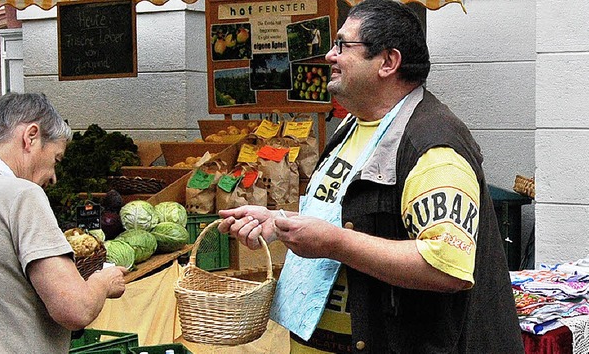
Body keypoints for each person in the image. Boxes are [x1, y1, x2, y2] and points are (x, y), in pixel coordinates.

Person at [219, 0, 524, 353]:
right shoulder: (353, 126)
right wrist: (279, 222)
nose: (330, 56)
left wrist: (333, 243)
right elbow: (346, 217)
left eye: (343, 45)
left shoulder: (433, 143)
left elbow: (447, 266)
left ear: (388, 62)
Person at [0, 92, 128, 353]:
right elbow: (75, 309)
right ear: (31, 136)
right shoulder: (22, 194)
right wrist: (103, 281)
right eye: (56, 160)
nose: (53, 177)